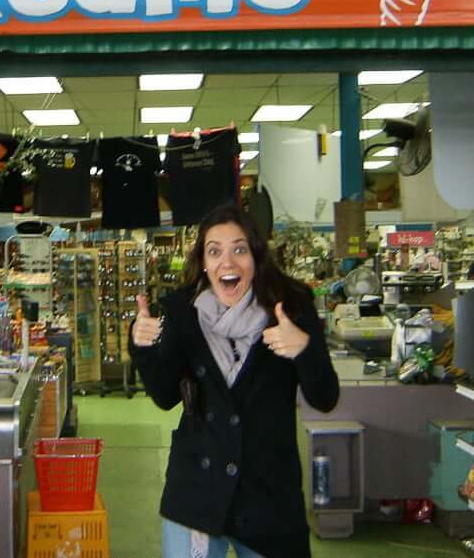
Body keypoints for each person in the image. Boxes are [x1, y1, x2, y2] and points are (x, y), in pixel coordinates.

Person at [129, 203, 339, 558]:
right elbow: (165, 396)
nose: (227, 262)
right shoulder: (183, 311)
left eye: (239, 249)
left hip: (269, 494)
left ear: (256, 256)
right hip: (198, 491)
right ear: (204, 262)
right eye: (215, 251)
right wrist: (142, 347)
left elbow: (325, 397)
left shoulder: (290, 306)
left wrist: (304, 349)